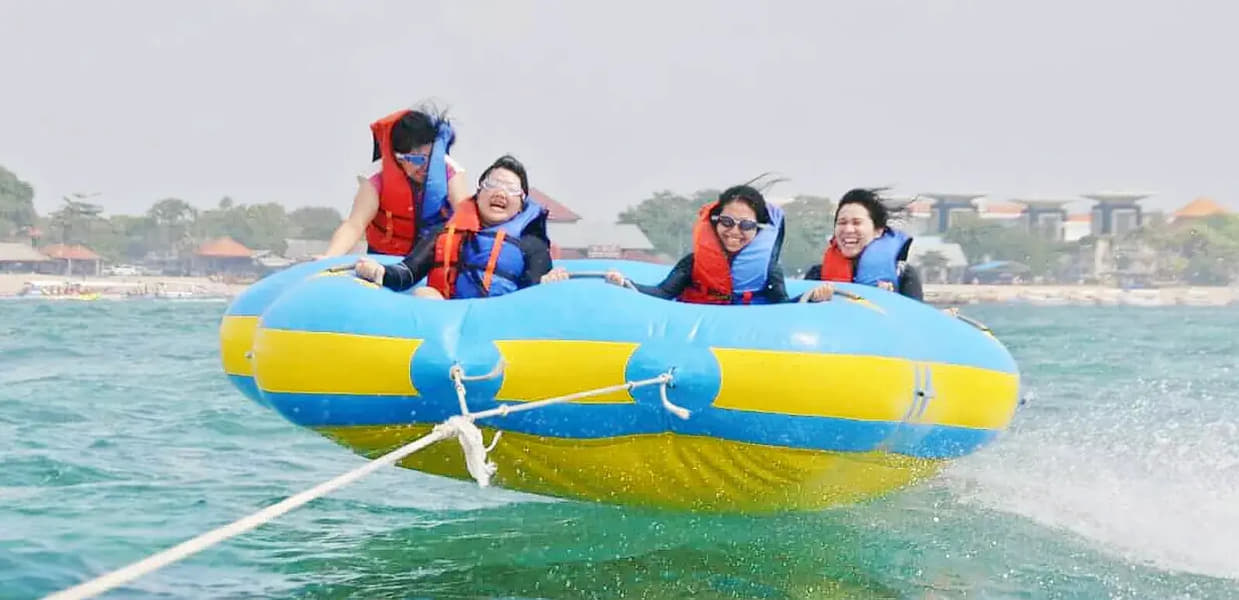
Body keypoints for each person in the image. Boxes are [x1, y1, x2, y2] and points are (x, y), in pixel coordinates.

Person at [354, 155, 564, 299]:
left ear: (522, 203)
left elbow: (533, 292)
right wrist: (379, 272)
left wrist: (547, 284)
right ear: (478, 193)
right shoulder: (444, 233)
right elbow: (408, 272)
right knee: (424, 294)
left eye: (511, 189)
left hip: (499, 324)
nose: (500, 193)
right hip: (448, 326)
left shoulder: (531, 244)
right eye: (492, 185)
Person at [601, 185, 833, 304]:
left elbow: (782, 309)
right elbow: (662, 292)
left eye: (746, 225)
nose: (734, 232)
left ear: (758, 229)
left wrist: (811, 298)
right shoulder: (693, 264)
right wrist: (625, 284)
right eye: (727, 222)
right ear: (715, 222)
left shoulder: (768, 272)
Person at [324, 107, 471, 257]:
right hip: (385, 260)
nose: (425, 166)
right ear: (398, 157)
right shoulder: (375, 176)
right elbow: (355, 224)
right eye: (417, 159)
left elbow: (466, 218)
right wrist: (329, 257)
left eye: (431, 158)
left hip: (431, 260)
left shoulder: (451, 171)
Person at [802, 188, 923, 301]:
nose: (848, 229)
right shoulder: (816, 275)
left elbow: (916, 319)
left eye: (857, 223)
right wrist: (815, 302)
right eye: (842, 223)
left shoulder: (903, 275)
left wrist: (889, 299)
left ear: (878, 231)